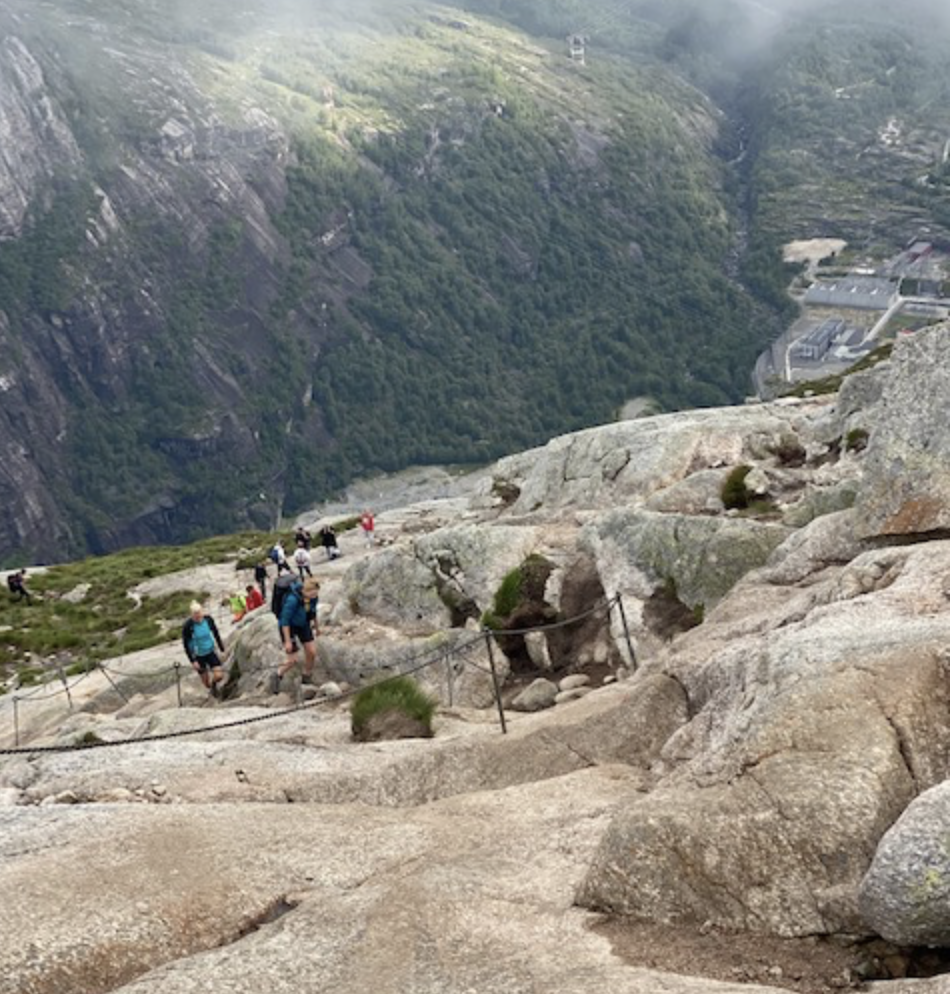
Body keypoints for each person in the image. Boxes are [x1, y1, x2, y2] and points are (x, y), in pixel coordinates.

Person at [270, 577, 317, 694]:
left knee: (311, 652)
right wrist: (287, 641)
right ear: (304, 591)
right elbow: (285, 620)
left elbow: (313, 611)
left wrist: (317, 627)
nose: (314, 595)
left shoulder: (312, 598)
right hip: (288, 626)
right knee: (293, 660)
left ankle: (306, 676)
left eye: (315, 593)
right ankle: (277, 674)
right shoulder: (293, 599)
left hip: (303, 623)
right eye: (311, 593)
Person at [182, 602, 226, 696]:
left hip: (210, 651)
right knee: (206, 683)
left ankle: (214, 685)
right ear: (191, 614)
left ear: (202, 612)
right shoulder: (188, 626)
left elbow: (216, 633)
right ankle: (211, 689)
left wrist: (222, 649)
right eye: (195, 614)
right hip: (198, 656)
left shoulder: (208, 620)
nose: (198, 616)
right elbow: (186, 645)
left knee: (219, 676)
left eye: (199, 613)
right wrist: (193, 661)